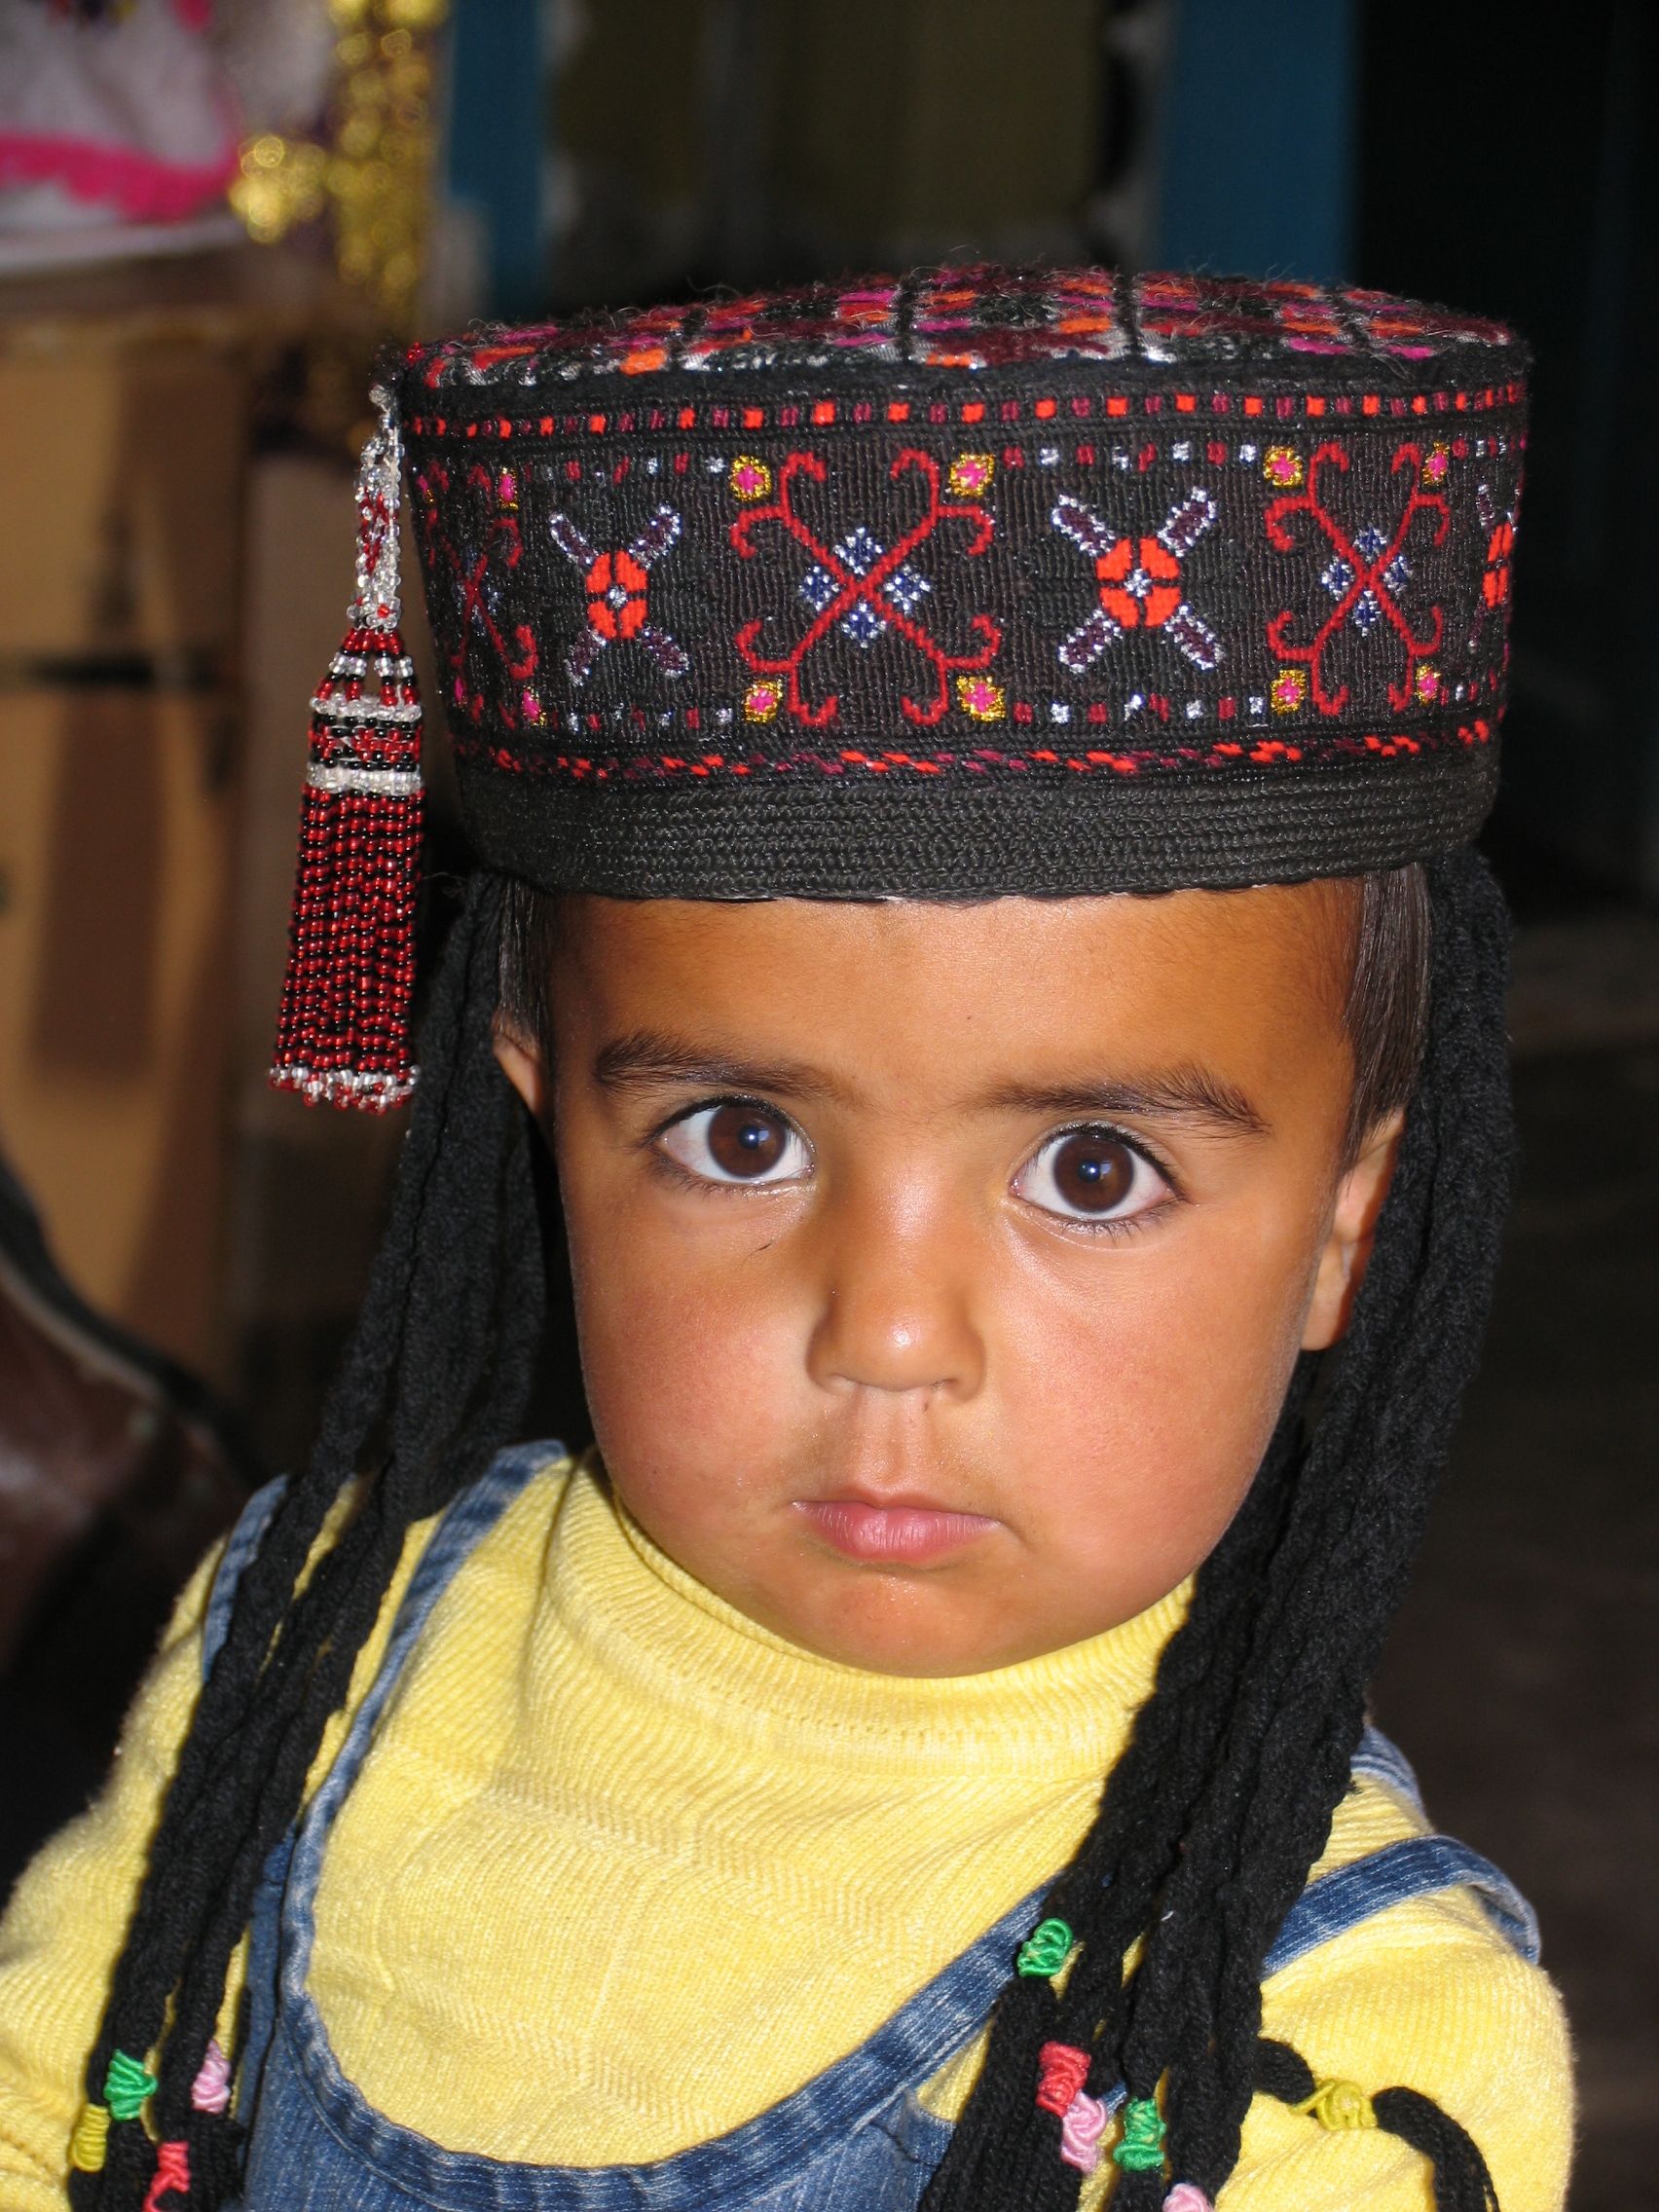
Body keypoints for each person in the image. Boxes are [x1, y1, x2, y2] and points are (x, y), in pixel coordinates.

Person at [0, 269, 1571, 2212]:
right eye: (740, 1139)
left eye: (1092, 1170)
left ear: (1349, 1228)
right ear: (542, 1119)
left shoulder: (1345, 2033)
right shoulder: (298, 1657)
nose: (890, 1332)